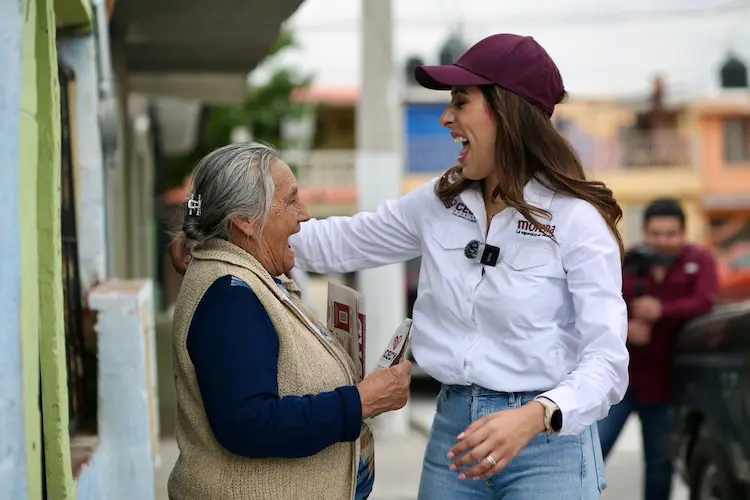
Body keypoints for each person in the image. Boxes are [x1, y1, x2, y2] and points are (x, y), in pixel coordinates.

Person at [171, 33, 629, 500]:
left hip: (546, 442)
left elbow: (608, 362)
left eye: (461, 102)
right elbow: (339, 242)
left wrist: (535, 416)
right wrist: (213, 231)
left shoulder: (576, 220)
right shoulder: (440, 200)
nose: (446, 118)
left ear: (507, 112)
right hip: (455, 433)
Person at [167, 142, 412, 500]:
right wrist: (361, 402)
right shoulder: (232, 296)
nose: (305, 214)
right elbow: (250, 423)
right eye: (291, 200)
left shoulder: (240, 277)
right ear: (245, 222)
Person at [597, 198, 718, 500]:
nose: (663, 241)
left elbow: (705, 302)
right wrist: (625, 329)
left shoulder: (700, 260)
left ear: (683, 232)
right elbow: (599, 304)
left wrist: (661, 311)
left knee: (660, 466)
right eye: (655, 234)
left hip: (668, 385)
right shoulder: (627, 259)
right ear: (645, 232)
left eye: (670, 234)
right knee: (592, 452)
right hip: (620, 382)